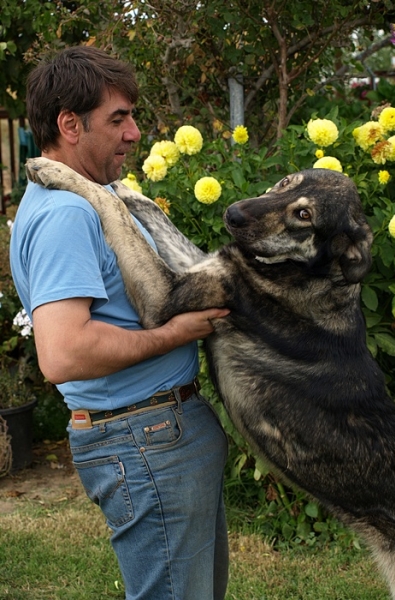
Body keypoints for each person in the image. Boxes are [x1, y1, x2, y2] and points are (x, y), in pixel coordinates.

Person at [9, 46, 230, 600]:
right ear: (69, 125)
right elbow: (63, 354)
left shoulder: (92, 197)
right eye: (118, 119)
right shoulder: (67, 214)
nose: (134, 133)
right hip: (143, 438)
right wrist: (175, 335)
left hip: (157, 431)